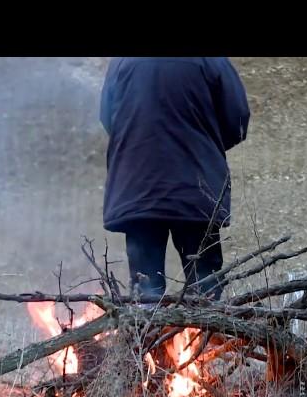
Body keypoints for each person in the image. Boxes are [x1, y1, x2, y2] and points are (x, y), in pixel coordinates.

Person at [99, 57, 250, 300]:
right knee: (205, 286)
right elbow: (238, 120)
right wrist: (205, 141)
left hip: (138, 186)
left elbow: (109, 118)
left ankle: (146, 334)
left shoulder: (122, 61)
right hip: (196, 188)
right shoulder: (210, 61)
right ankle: (205, 335)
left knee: (145, 291)